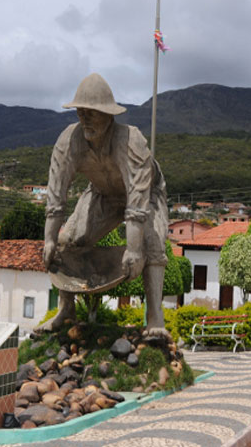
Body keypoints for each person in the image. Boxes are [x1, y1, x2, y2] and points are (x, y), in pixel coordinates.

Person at [37, 73, 169, 337]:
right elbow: (56, 197)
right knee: (66, 241)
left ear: (109, 115)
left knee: (152, 247)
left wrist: (133, 248)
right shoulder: (68, 142)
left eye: (92, 112)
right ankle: (66, 310)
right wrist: (49, 239)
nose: (84, 118)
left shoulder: (131, 141)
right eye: (81, 112)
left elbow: (138, 201)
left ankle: (155, 318)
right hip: (102, 196)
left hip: (147, 196)